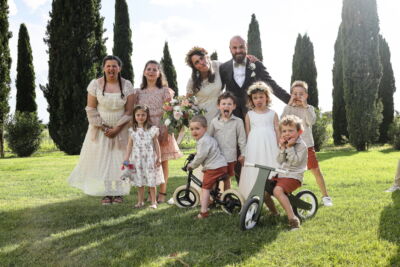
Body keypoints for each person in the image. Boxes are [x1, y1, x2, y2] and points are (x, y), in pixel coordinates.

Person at [68, 55, 135, 205]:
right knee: (104, 159)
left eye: (114, 66)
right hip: (100, 129)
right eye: (108, 66)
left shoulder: (127, 85)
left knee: (119, 159)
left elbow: (129, 111)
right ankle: (107, 193)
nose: (111, 69)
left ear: (119, 68)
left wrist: (117, 128)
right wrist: (105, 128)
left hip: (122, 128)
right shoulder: (95, 84)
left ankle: (118, 192)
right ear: (104, 68)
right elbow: (91, 109)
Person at [136, 60, 183, 203]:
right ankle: (150, 192)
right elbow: (136, 112)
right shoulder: (138, 92)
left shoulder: (165, 91)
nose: (151, 72)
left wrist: (166, 130)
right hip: (145, 129)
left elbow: (170, 111)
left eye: (154, 70)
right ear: (144, 72)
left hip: (162, 126)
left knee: (162, 162)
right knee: (147, 162)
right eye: (148, 69)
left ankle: (162, 193)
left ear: (159, 74)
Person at [281, 81, 333, 206]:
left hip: (306, 146)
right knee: (287, 172)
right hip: (291, 147)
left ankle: (326, 196)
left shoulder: (309, 108)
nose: (298, 96)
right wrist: (289, 104)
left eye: (301, 94)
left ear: (306, 95)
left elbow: (311, 121)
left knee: (315, 170)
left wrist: (305, 106)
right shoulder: (288, 108)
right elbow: (282, 122)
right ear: (291, 95)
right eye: (295, 94)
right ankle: (286, 195)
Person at [219, 35, 291, 121]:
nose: (238, 50)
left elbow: (271, 85)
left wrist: (291, 101)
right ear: (230, 49)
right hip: (232, 116)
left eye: (241, 47)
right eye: (234, 48)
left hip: (254, 114)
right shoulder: (223, 68)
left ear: (247, 47)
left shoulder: (257, 65)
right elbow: (218, 90)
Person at [185, 46, 259, 123]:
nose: (201, 62)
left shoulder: (217, 65)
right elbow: (187, 102)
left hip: (221, 114)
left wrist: (246, 58)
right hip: (203, 118)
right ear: (194, 67)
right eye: (196, 62)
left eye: (201, 58)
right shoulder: (192, 81)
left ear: (206, 56)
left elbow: (234, 66)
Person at [264, 115, 308, 231]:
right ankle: (274, 213)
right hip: (282, 175)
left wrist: (289, 147)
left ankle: (293, 219)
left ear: (299, 131)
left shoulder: (301, 146)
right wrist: (283, 148)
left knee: (277, 191)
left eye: (290, 130)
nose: (287, 133)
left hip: (294, 176)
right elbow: (279, 160)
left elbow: (295, 162)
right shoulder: (286, 143)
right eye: (284, 131)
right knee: (264, 190)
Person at [239, 81, 280, 199]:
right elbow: (248, 133)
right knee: (254, 167)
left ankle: (269, 192)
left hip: (270, 145)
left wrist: (279, 146)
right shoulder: (249, 115)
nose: (258, 100)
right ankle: (252, 195)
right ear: (251, 100)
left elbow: (277, 130)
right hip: (254, 146)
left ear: (267, 98)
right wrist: (246, 151)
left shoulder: (273, 114)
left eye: (261, 97)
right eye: (255, 98)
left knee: (269, 165)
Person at [122, 105, 164, 209]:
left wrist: (159, 157)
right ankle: (140, 201)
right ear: (134, 116)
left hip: (149, 159)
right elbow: (129, 145)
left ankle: (154, 202)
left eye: (143, 115)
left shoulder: (152, 130)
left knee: (151, 181)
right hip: (137, 160)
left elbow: (156, 144)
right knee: (139, 182)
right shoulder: (132, 131)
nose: (140, 117)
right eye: (138, 115)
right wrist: (126, 158)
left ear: (147, 116)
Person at [187, 115, 228, 219]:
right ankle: (213, 199)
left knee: (205, 188)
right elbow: (204, 152)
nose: (194, 131)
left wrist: (191, 165)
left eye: (197, 128)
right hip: (221, 165)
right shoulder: (207, 139)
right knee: (211, 184)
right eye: (192, 129)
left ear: (205, 128)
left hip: (214, 167)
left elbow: (201, 156)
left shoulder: (203, 141)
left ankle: (204, 212)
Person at [208, 92, 246, 190]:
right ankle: (214, 198)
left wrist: (243, 153)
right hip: (216, 156)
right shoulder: (214, 122)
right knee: (215, 178)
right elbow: (209, 138)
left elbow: (242, 139)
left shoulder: (238, 122)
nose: (226, 106)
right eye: (223, 104)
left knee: (227, 178)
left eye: (229, 104)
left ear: (234, 106)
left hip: (230, 156)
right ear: (218, 106)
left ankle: (226, 198)